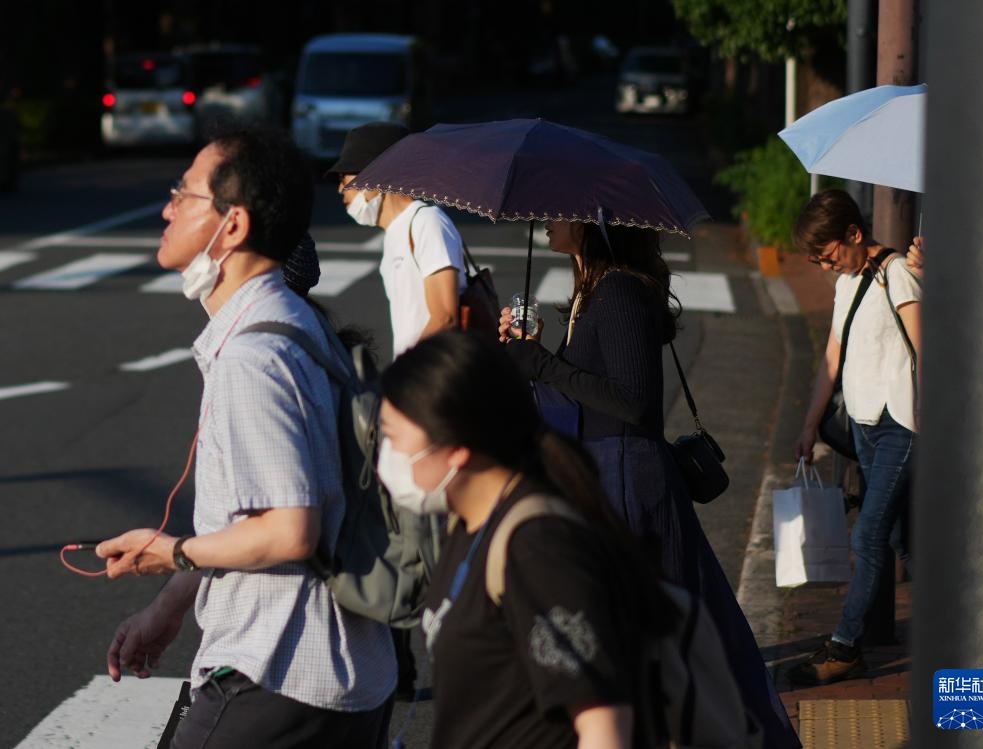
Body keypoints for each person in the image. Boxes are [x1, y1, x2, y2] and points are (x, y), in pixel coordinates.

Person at [95, 127, 396, 747]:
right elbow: (252, 518)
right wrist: (168, 608)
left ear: (231, 226)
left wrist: (174, 552)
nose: (167, 209)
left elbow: (289, 531)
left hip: (280, 671)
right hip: (344, 669)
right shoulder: (294, 322)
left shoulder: (254, 357)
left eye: (184, 194)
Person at [500, 221, 800, 749]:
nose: (548, 218)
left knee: (667, 646)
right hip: (609, 477)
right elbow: (589, 390)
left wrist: (542, 364)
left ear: (591, 222)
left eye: (561, 211)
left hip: (628, 484)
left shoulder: (618, 291)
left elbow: (633, 401)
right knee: (654, 646)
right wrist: (536, 354)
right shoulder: (593, 288)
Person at [379, 330, 678, 749]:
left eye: (394, 438)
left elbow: (603, 724)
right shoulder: (470, 523)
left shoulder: (536, 546)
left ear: (456, 447)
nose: (388, 456)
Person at [790, 188, 922, 685]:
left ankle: (845, 648)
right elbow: (832, 355)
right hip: (864, 424)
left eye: (828, 255)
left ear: (853, 233)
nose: (826, 266)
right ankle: (963, 619)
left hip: (901, 425)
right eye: (818, 261)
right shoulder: (847, 281)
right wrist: (810, 424)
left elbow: (925, 348)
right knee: (900, 537)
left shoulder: (898, 273)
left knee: (867, 536)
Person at [325, 121, 467, 357]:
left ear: (377, 175)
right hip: (416, 370)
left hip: (434, 373)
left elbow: (445, 318)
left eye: (344, 177)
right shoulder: (395, 233)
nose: (340, 189)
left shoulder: (426, 222)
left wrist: (404, 373)